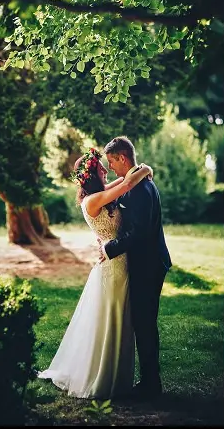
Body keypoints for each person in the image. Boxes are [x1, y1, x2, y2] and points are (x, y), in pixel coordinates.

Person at [39, 148, 155, 399]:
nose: (106, 169)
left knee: (121, 320)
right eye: (102, 168)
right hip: (112, 265)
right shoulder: (91, 201)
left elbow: (125, 181)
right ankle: (103, 377)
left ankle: (119, 376)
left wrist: (142, 170)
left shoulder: (99, 194)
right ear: (92, 175)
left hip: (121, 260)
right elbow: (126, 185)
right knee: (111, 319)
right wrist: (145, 169)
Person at [98, 136, 172, 398]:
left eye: (112, 162)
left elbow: (139, 232)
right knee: (143, 322)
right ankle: (150, 381)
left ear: (122, 158)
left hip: (149, 264)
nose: (111, 168)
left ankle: (151, 385)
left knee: (144, 323)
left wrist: (109, 248)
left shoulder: (140, 188)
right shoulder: (137, 181)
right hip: (148, 261)